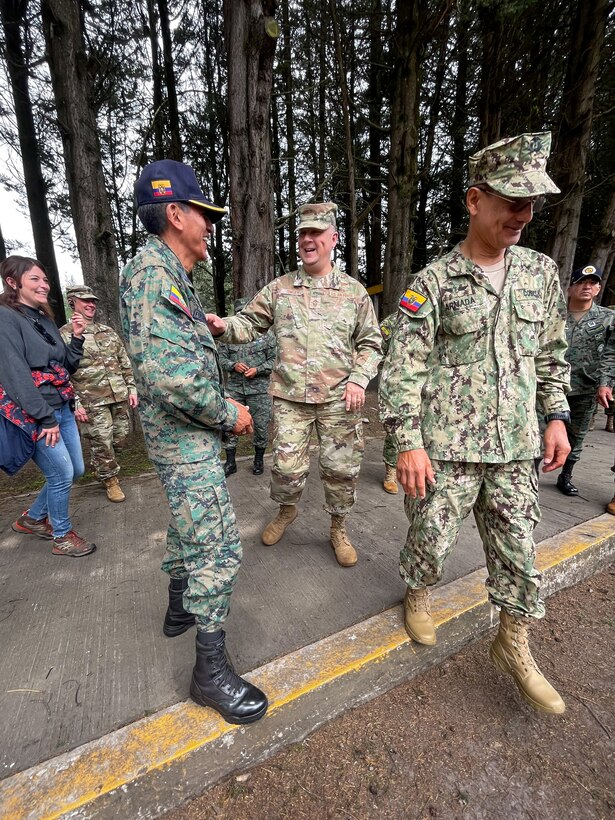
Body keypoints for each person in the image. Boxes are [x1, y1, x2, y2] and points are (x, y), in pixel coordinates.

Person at [379, 132, 571, 715]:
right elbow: (401, 372)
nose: (523, 214)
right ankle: (417, 591)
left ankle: (513, 644)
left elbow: (551, 354)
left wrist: (557, 415)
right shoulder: (432, 284)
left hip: (515, 447)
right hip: (448, 451)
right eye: (512, 200)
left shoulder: (540, 274)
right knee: (430, 541)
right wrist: (407, 444)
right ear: (474, 200)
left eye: (531, 202)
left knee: (520, 551)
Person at [119, 159, 267, 725]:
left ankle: (178, 607)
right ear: (175, 214)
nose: (209, 225)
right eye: (202, 214)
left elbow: (173, 357)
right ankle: (209, 672)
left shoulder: (165, 275)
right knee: (219, 546)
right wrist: (228, 413)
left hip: (178, 437)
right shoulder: (155, 274)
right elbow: (170, 376)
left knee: (187, 524)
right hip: (185, 437)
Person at [205, 202, 382, 568]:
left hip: (338, 400)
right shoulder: (280, 289)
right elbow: (249, 323)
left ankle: (338, 527)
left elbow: (371, 343)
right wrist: (223, 327)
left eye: (315, 232)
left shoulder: (353, 292)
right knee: (286, 469)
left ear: (333, 239)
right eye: (302, 232)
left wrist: (359, 380)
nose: (307, 239)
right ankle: (287, 510)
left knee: (341, 469)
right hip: (290, 398)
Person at [0, 256, 96, 557]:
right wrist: (44, 419)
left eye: (45, 279)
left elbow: (66, 365)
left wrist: (77, 338)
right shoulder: (5, 317)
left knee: (76, 470)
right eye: (35, 280)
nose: (44, 285)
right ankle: (62, 536)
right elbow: (14, 375)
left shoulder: (43, 318)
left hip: (61, 406)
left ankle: (32, 518)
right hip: (37, 413)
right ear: (13, 283)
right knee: (61, 474)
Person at [59, 285, 138, 502]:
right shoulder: (64, 335)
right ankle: (110, 480)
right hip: (92, 401)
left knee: (120, 439)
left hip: (118, 395)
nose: (91, 304)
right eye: (85, 300)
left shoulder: (108, 332)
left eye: (93, 300)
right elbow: (61, 372)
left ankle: (101, 465)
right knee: (102, 442)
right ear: (72, 302)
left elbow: (124, 361)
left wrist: (131, 388)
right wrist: (75, 402)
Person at [556, 265, 615, 496]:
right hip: (550, 385)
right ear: (570, 288)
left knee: (577, 434)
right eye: (581, 282)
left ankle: (566, 475)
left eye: (592, 283)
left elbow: (611, 354)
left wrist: (605, 382)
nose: (587, 287)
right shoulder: (555, 314)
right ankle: (531, 474)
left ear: (599, 288)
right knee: (538, 430)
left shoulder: (608, 318)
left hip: (586, 386)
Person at [218, 297, 276, 476]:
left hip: (259, 390)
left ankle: (258, 460)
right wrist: (233, 365)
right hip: (235, 389)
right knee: (231, 423)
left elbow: (275, 360)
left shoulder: (267, 336)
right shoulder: (228, 336)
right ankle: (230, 462)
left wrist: (258, 370)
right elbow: (219, 358)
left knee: (261, 425)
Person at [380, 313, 399, 494]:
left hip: (429, 384)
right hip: (397, 385)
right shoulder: (392, 322)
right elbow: (377, 349)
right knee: (395, 428)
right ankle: (391, 472)